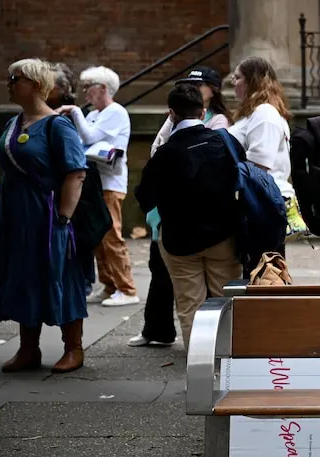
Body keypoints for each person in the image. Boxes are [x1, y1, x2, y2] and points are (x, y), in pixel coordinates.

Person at [0, 59, 88, 373]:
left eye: (14, 77)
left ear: (33, 83)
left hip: (47, 216)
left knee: (58, 275)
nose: (9, 83)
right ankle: (28, 349)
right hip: (15, 214)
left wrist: (64, 217)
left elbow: (76, 173)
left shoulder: (57, 125)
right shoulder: (14, 123)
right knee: (21, 275)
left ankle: (74, 348)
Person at [129, 66, 232, 348]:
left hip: (179, 240)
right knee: (226, 301)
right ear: (202, 113)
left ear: (172, 114)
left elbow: (146, 197)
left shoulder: (164, 155)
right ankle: (230, 359)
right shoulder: (227, 144)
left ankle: (201, 367)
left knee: (190, 307)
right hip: (222, 235)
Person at [56, 65, 139, 307]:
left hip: (110, 183)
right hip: (94, 182)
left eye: (88, 87)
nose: (84, 93)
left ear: (103, 88)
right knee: (98, 237)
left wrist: (73, 111)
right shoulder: (93, 114)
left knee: (112, 236)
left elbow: (90, 137)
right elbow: (82, 140)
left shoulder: (116, 112)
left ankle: (128, 288)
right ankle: (109, 285)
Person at [228, 56, 307, 241]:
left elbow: (259, 166)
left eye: (238, 77)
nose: (233, 82)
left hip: (263, 203)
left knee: (264, 268)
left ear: (252, 81)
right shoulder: (255, 114)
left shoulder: (265, 114)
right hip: (257, 201)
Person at [46, 62, 97, 298]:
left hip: (77, 181)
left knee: (79, 233)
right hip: (55, 183)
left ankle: (84, 278)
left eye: (51, 84)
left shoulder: (71, 114)